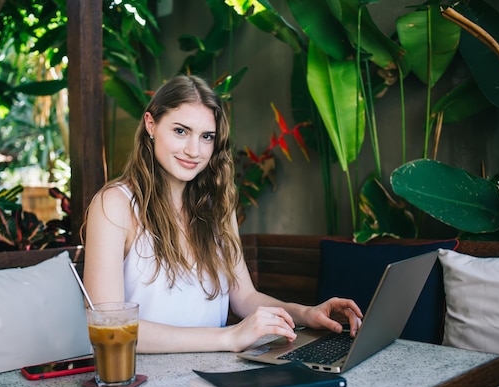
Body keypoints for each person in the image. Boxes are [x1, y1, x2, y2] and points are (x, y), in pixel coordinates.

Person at [82, 74, 363, 354]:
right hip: (142, 380)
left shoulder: (217, 206)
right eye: (181, 131)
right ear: (151, 125)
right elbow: (111, 326)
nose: (194, 150)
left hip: (215, 372)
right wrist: (228, 338)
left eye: (206, 137)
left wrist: (306, 314)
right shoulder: (114, 205)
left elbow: (245, 297)